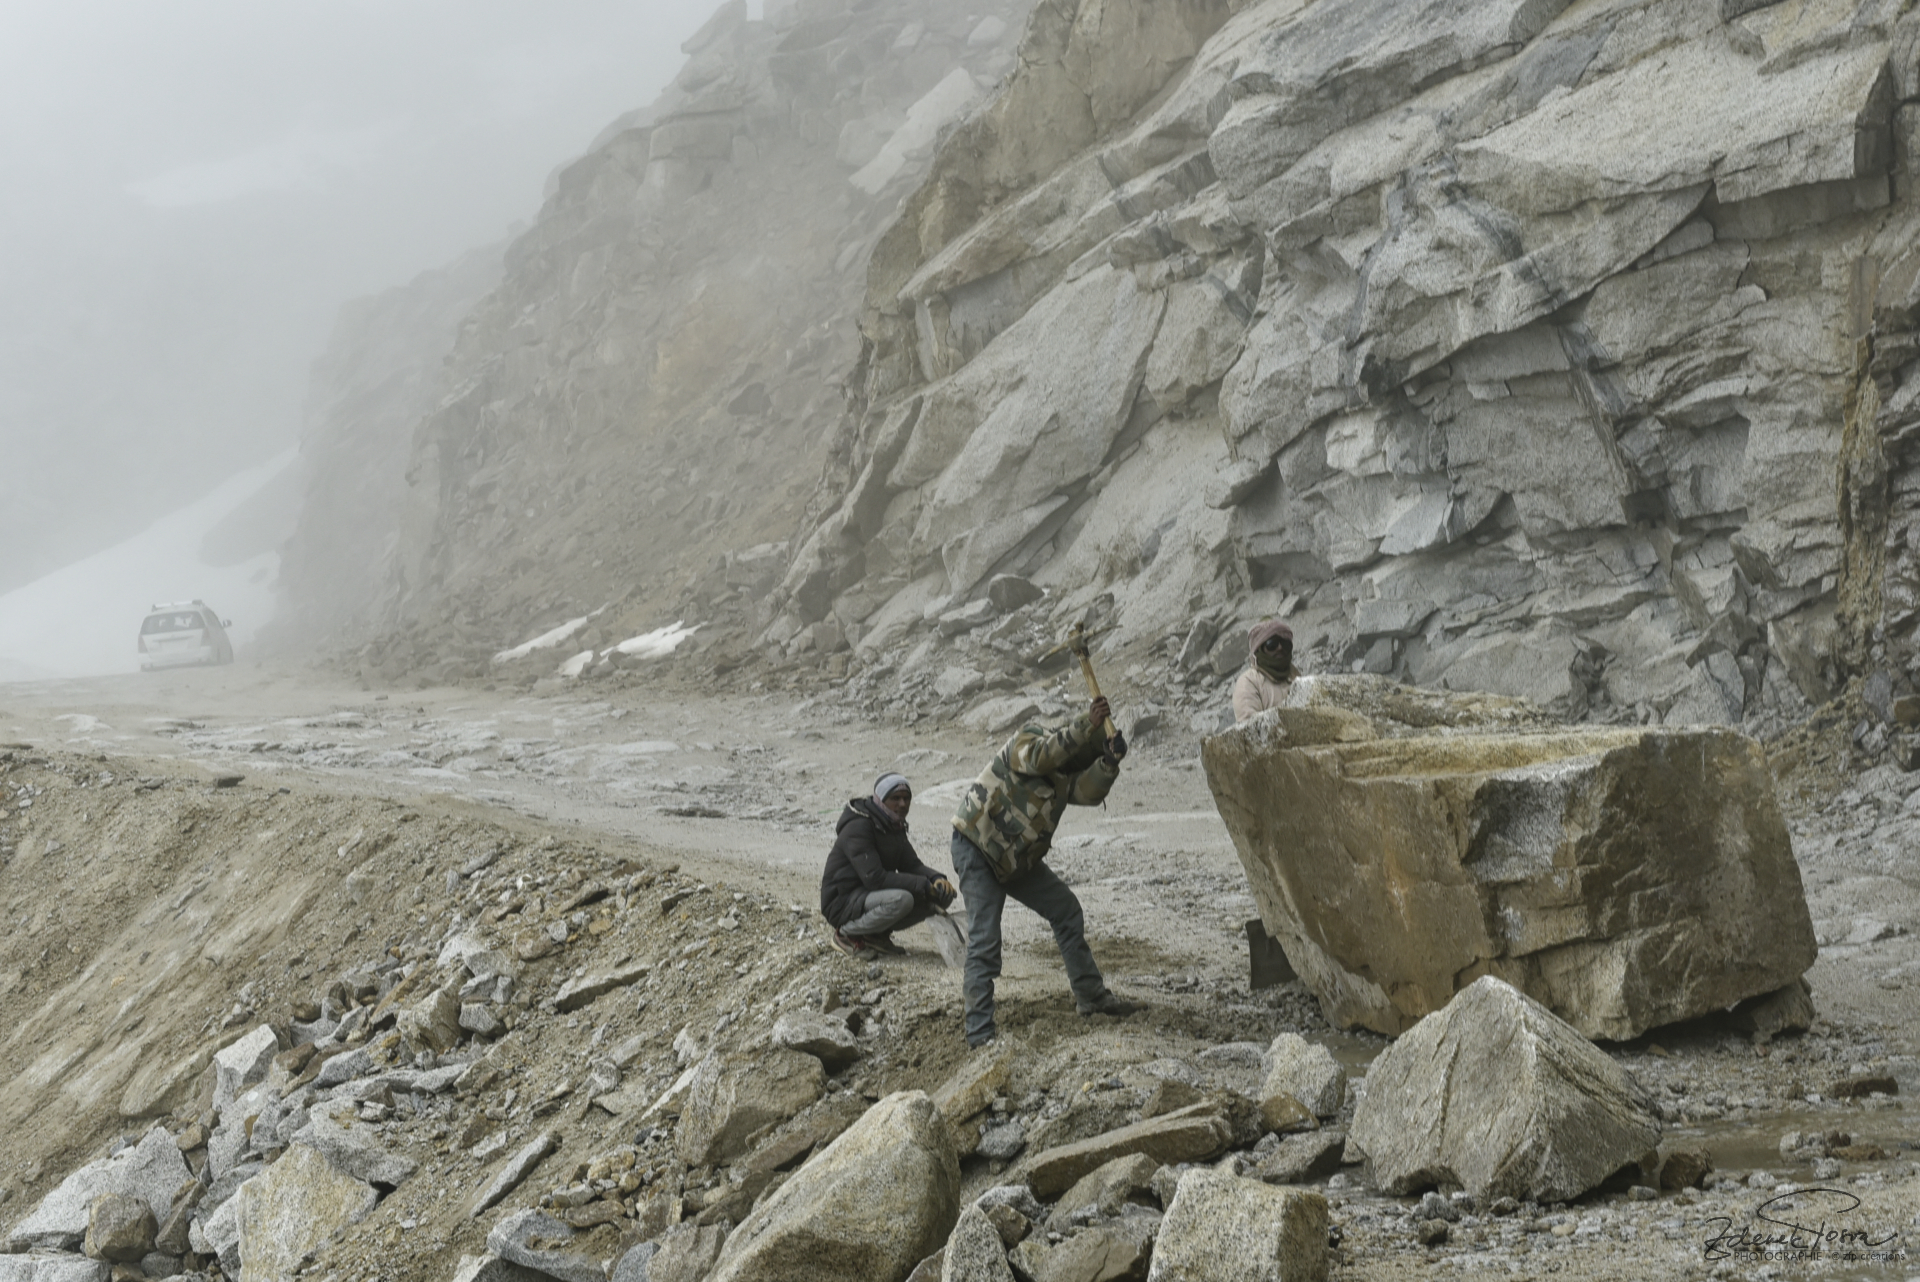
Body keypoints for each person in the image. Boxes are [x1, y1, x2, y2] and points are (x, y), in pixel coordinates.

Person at [949, 697, 1142, 1047]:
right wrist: (1087, 725)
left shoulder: (1065, 776)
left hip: (1016, 860)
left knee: (1065, 911)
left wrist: (1110, 764)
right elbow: (1040, 757)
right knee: (985, 941)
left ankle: (1092, 998)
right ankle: (979, 1036)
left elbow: (1086, 791)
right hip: (978, 846)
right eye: (1091, 753)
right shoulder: (1031, 738)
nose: (1087, 762)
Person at [820, 773, 957, 957]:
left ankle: (874, 935)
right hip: (842, 900)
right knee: (901, 899)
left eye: (906, 798)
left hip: (867, 896)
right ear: (881, 799)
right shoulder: (859, 826)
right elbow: (874, 878)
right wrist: (923, 885)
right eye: (895, 798)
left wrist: (936, 878)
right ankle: (847, 934)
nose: (902, 804)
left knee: (941, 896)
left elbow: (911, 864)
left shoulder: (892, 824)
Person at [1233, 619, 1301, 722]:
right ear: (1260, 649)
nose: (1280, 648)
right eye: (1272, 645)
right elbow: (1248, 726)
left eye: (1285, 643)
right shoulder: (1249, 682)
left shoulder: (1295, 675)